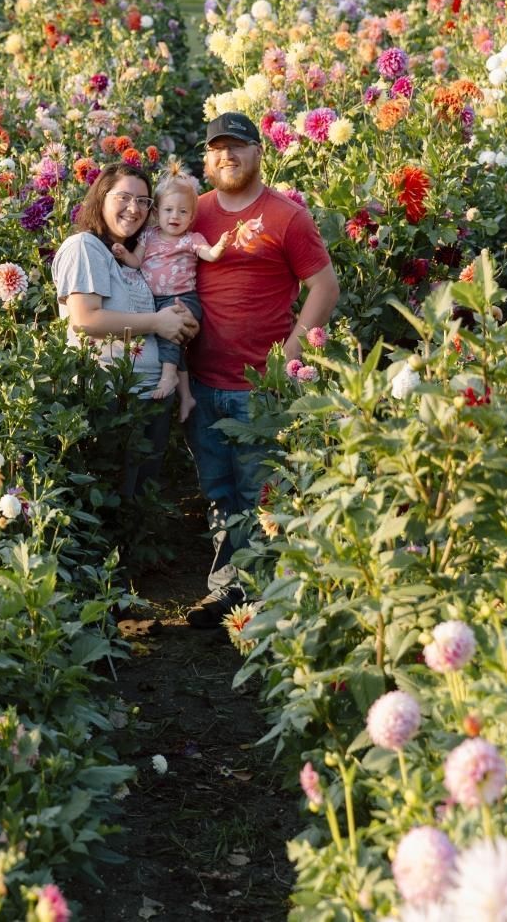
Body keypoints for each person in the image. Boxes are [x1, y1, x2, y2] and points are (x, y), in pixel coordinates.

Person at [185, 112, 340, 627]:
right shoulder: (194, 214)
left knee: (259, 493)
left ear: (258, 153)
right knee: (218, 492)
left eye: (237, 146)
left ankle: (261, 599)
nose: (227, 155)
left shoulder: (286, 217)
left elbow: (324, 287)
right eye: (217, 148)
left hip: (259, 384)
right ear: (206, 160)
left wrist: (287, 357)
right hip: (203, 381)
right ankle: (229, 593)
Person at [51, 162, 198, 499]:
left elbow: (154, 313)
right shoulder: (85, 247)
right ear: (101, 197)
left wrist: (182, 321)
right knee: (112, 501)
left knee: (140, 504)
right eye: (124, 197)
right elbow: (86, 319)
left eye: (144, 201)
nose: (134, 209)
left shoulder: (129, 257)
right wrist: (158, 322)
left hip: (150, 397)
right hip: (111, 399)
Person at [112, 165, 232, 423]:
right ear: (156, 212)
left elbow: (209, 255)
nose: (174, 216)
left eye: (183, 211)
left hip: (183, 298)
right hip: (153, 301)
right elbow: (137, 262)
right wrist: (124, 255)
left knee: (170, 338)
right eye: (168, 210)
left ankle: (169, 377)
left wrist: (220, 246)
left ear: (191, 217)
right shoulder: (149, 236)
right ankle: (186, 396)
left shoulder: (192, 239)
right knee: (173, 345)